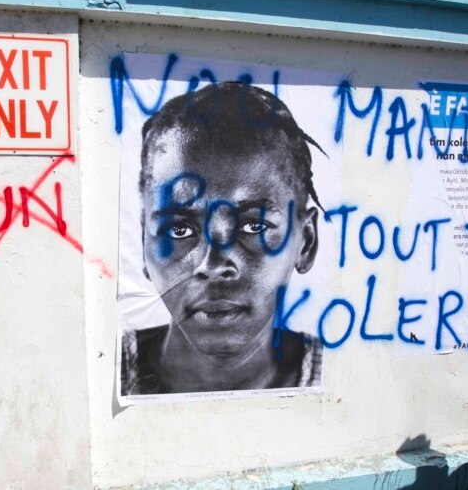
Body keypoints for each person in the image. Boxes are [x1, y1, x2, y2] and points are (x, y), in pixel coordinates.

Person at [121, 81, 324, 395]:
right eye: (180, 230)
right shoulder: (98, 369)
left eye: (253, 227)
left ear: (306, 241)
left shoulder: (348, 375)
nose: (213, 265)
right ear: (144, 244)